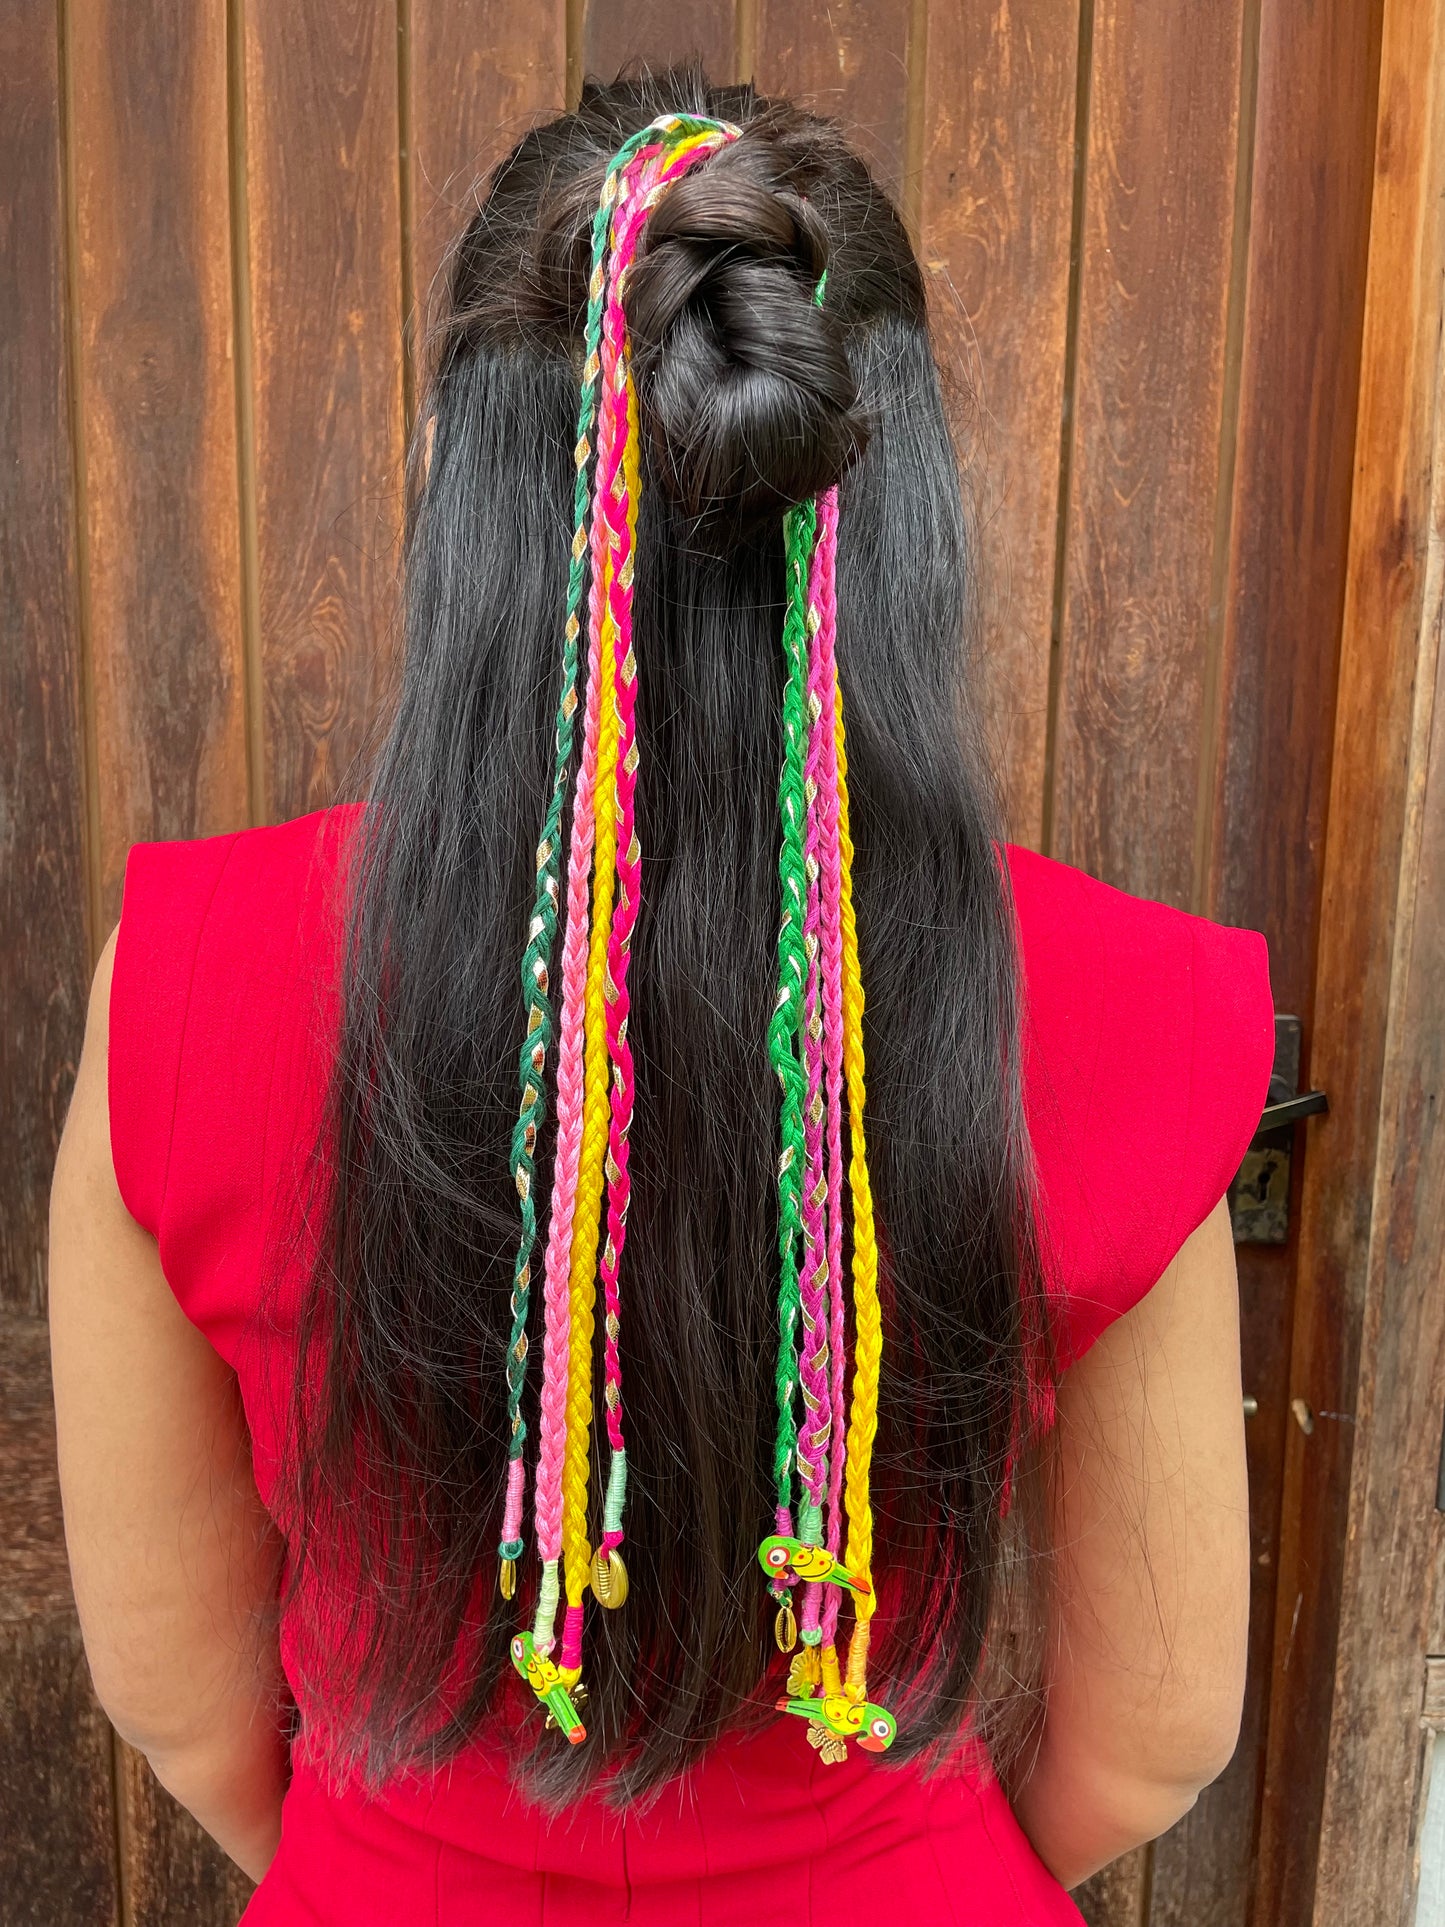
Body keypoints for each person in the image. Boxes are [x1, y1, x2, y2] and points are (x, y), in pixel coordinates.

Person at [47, 65, 1274, 1927]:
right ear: (899, 498)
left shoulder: (187, 981)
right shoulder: (1127, 1000)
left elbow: (178, 1701)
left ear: (453, 488)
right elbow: (1151, 1737)